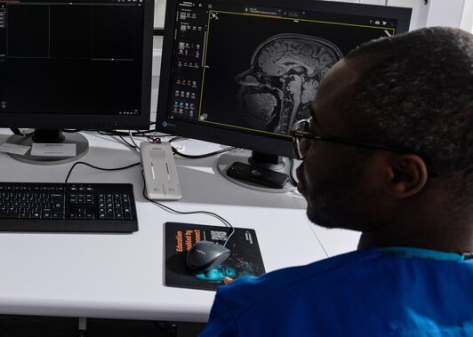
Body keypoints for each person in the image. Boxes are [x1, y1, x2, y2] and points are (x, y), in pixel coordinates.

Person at [200, 26, 473, 336]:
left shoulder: (265, 315)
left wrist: (264, 303)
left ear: (401, 176)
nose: (301, 145)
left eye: (314, 134)